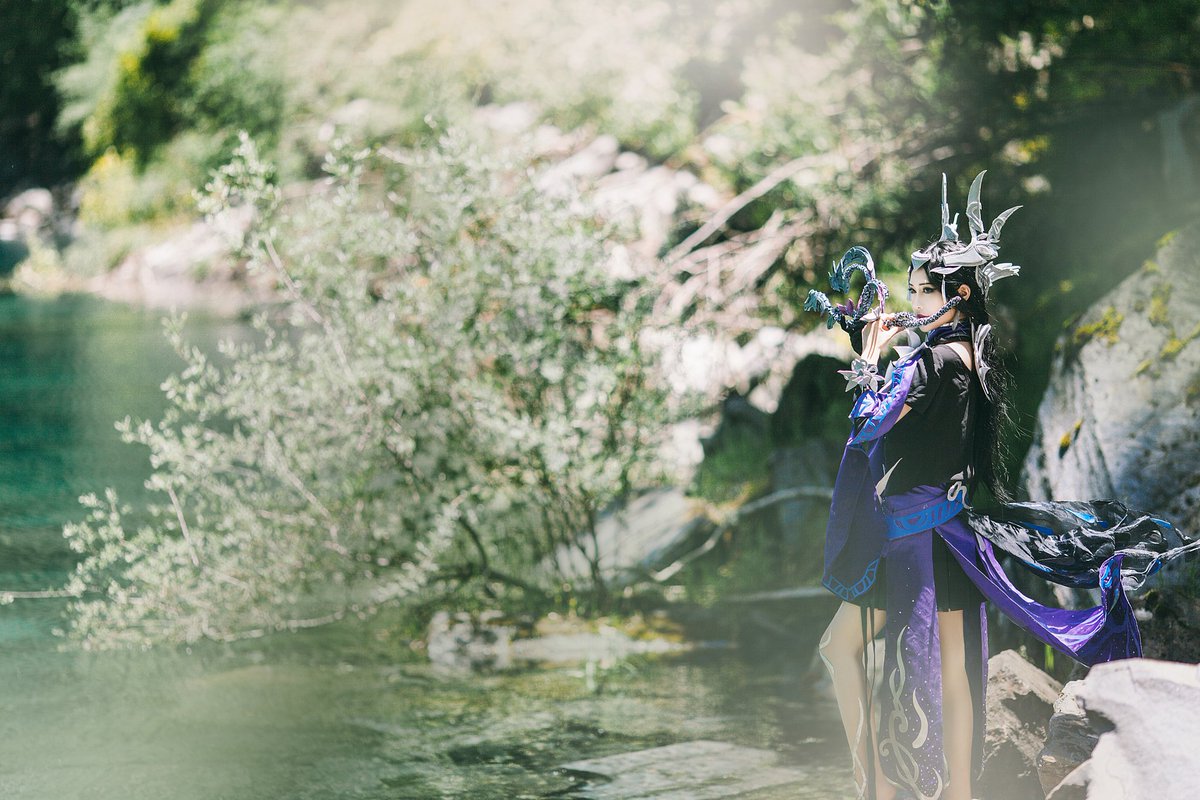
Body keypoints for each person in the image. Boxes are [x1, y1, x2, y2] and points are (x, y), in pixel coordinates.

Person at [810, 172, 1199, 800]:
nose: (913, 305)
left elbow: (868, 423)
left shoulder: (931, 363)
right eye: (911, 292)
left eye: (923, 292)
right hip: (947, 536)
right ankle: (954, 792)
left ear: (958, 294)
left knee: (850, 652)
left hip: (916, 542)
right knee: (953, 672)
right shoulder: (970, 357)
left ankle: (878, 785)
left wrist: (868, 357)